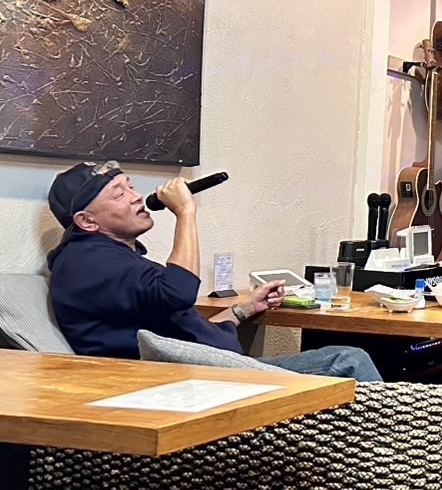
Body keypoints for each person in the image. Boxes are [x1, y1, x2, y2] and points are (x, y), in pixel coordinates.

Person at [46, 161, 382, 382]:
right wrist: (185, 212)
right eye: (119, 194)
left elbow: (181, 326)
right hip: (191, 385)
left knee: (349, 359)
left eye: (130, 186)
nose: (136, 198)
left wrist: (243, 309)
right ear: (87, 221)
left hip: (208, 370)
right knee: (348, 362)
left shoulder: (110, 257)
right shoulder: (86, 262)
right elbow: (178, 292)